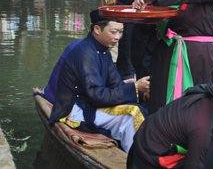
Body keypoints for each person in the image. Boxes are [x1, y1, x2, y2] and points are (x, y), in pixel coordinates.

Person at [48, 9, 150, 153]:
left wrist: (137, 88)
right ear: (97, 29)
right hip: (74, 109)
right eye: (114, 32)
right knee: (133, 112)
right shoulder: (85, 53)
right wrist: (134, 88)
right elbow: (97, 96)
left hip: (90, 102)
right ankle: (136, 160)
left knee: (145, 105)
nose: (118, 37)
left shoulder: (103, 50)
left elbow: (116, 85)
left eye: (121, 32)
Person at [128, 69, 213, 169]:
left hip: (141, 149)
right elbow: (194, 166)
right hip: (147, 162)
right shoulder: (201, 125)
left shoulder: (207, 97)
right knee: (212, 157)